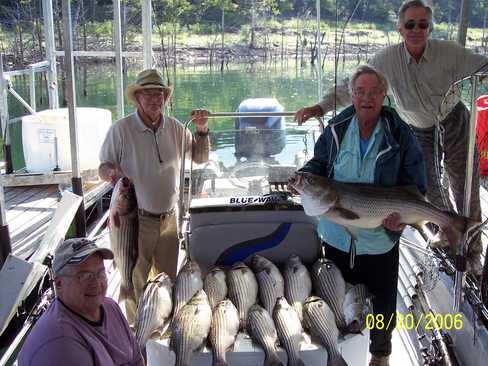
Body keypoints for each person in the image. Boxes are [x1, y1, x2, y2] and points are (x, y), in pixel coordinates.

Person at [295, 0, 488, 277]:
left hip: (453, 120)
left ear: (430, 27)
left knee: (464, 186)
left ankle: (474, 255)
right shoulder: (386, 60)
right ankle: (448, 241)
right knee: (428, 190)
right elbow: (351, 87)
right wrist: (319, 108)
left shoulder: (450, 53)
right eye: (410, 24)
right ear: (400, 28)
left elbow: (483, 66)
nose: (416, 30)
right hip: (419, 128)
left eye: (422, 24)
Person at [295, 65, 426, 366]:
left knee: (382, 302)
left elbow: (416, 183)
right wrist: (305, 178)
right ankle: (341, 350)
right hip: (338, 235)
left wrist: (403, 219)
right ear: (351, 96)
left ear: (384, 95)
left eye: (373, 92)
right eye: (360, 92)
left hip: (380, 236)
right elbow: (319, 164)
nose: (366, 98)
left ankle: (380, 354)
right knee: (339, 297)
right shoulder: (337, 130)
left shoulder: (399, 134)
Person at [98, 68, 210, 322]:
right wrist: (114, 175)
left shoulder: (176, 128)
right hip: (133, 220)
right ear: (137, 98)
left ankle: (163, 331)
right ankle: (137, 341)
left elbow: (200, 158)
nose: (154, 99)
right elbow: (103, 167)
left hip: (169, 219)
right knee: (134, 284)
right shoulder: (121, 130)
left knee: (167, 281)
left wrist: (202, 130)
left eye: (159, 94)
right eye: (148, 94)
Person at [18, 238, 144, 366]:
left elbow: (136, 360)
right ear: (59, 284)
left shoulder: (110, 306)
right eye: (84, 276)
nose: (96, 283)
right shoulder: (60, 343)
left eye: (100, 273)